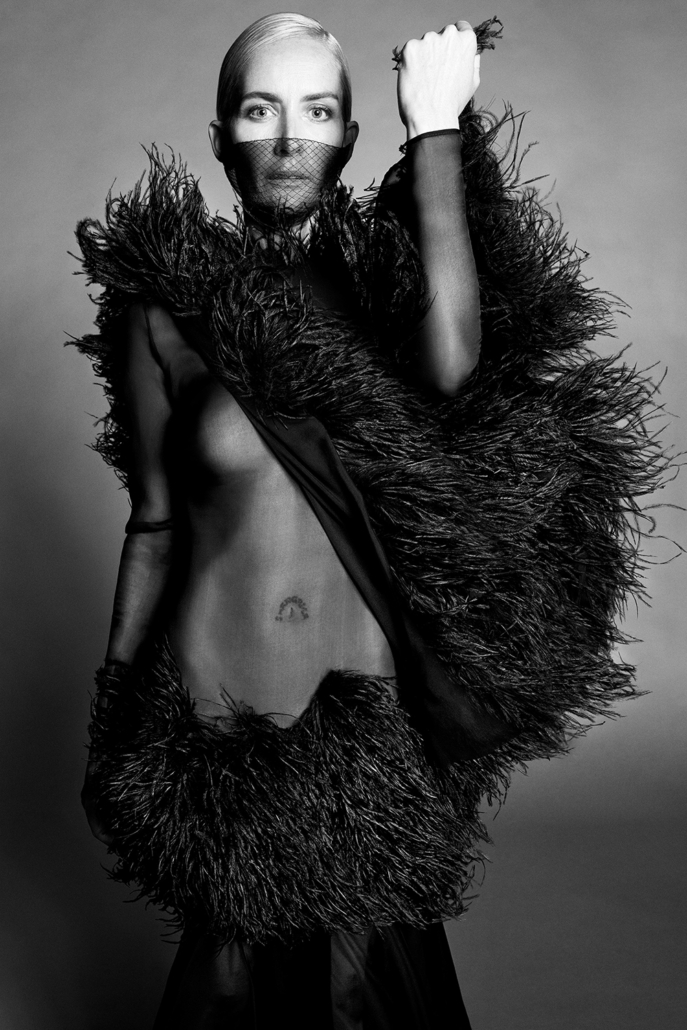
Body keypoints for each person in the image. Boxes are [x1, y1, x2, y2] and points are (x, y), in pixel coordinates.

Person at [73, 12, 665, 1029]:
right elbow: (158, 523)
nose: (288, 137)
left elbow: (451, 363)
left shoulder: (387, 291)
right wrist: (117, 703)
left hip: (363, 722)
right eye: (260, 111)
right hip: (219, 721)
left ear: (349, 137)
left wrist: (433, 127)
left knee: (368, 995)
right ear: (220, 137)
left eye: (317, 112)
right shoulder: (161, 311)